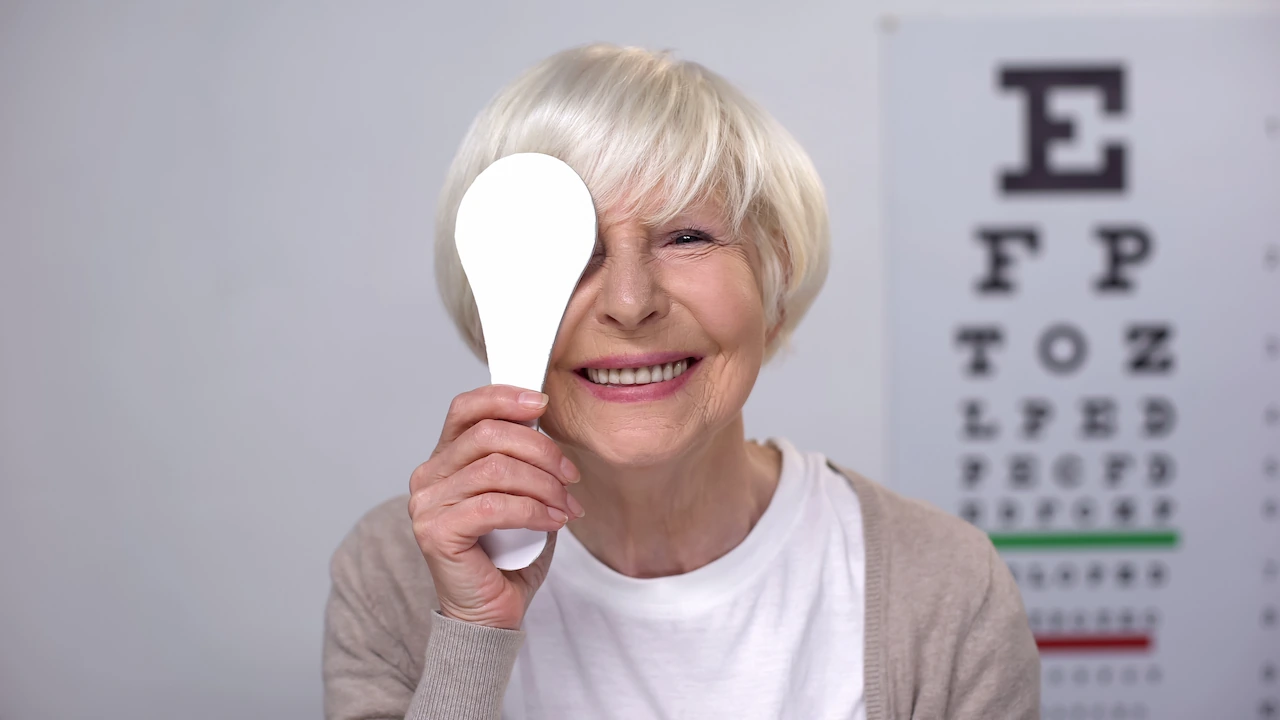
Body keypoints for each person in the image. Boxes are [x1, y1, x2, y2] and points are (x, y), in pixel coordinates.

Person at [322, 43, 1039, 720]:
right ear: (488, 307)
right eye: (574, 250)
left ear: (774, 283)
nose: (631, 303)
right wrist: (470, 635)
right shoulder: (393, 573)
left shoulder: (941, 585)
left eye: (686, 236)